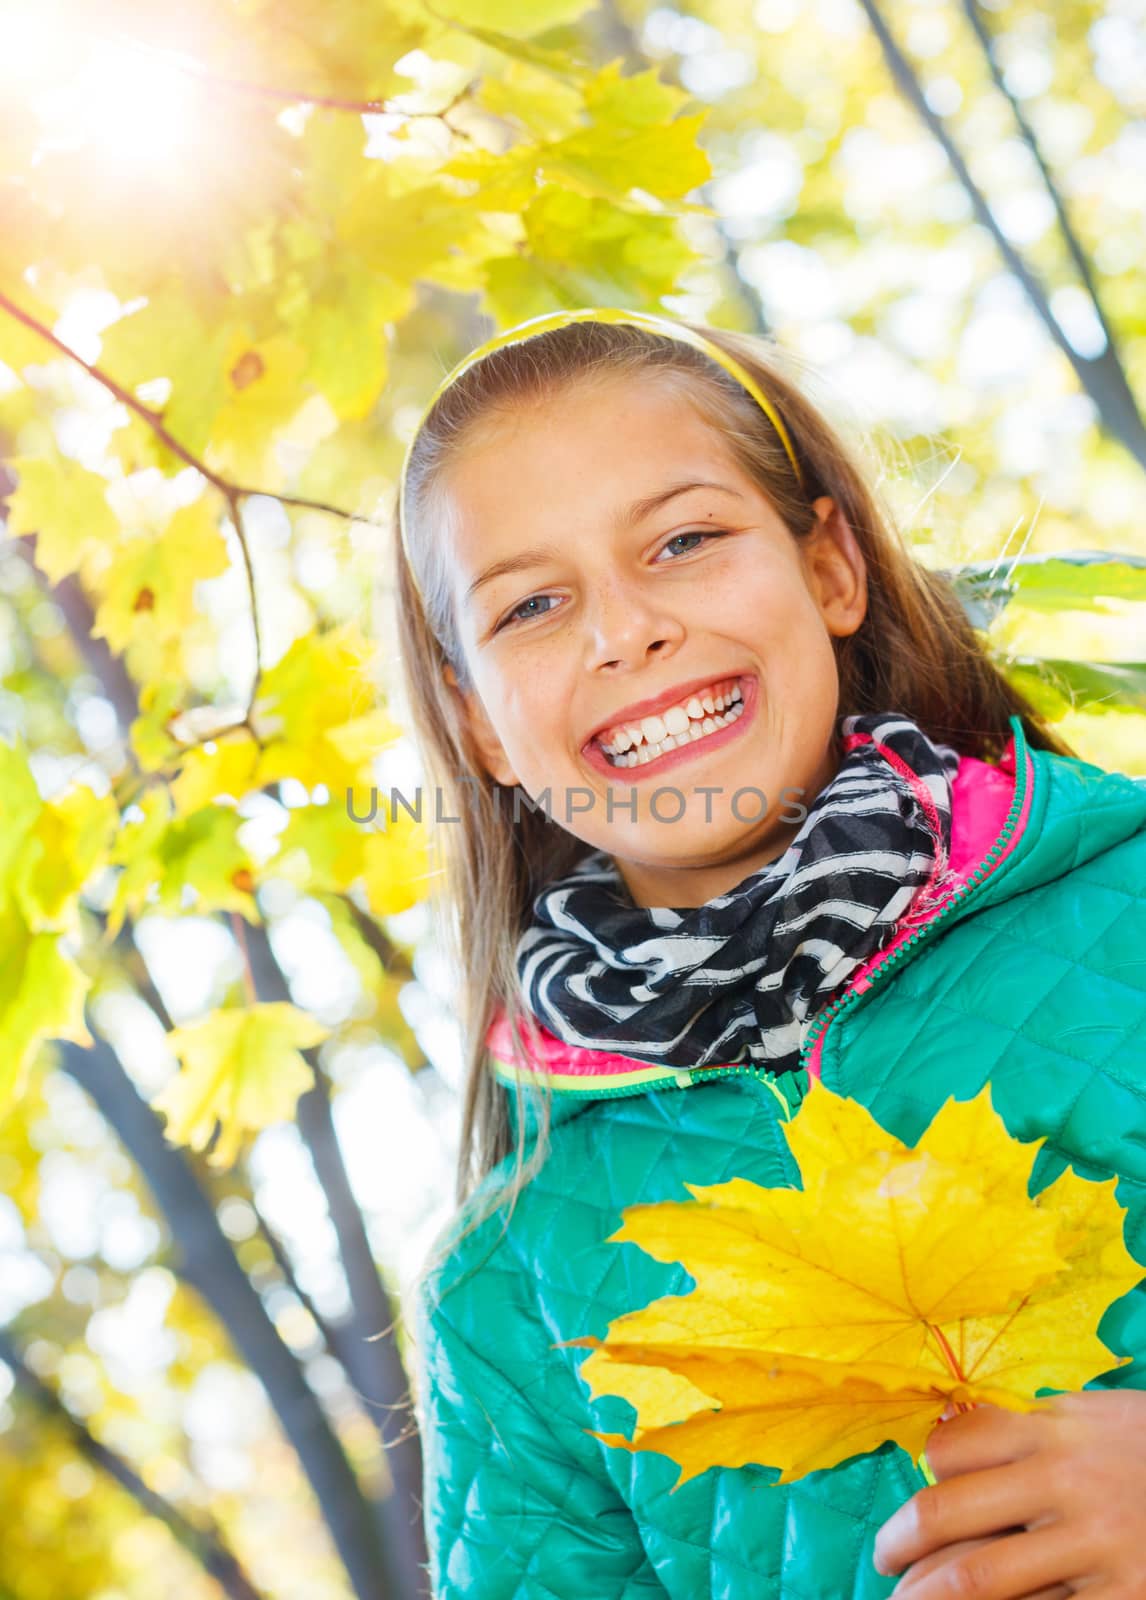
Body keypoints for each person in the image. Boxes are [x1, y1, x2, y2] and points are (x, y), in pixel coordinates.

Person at [391, 306, 1146, 1599]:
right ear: (478, 725)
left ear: (831, 568)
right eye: (531, 605)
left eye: (683, 540)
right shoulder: (507, 1281)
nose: (623, 632)